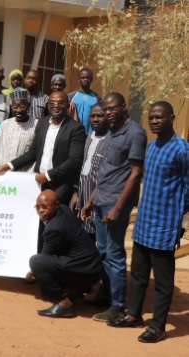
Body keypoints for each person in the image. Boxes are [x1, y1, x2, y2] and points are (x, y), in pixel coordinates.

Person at [107, 102, 189, 343]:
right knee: (140, 273)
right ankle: (134, 315)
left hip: (165, 225)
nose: (154, 121)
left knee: (163, 281)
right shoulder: (152, 146)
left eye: (159, 117)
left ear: (171, 118)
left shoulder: (181, 150)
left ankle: (159, 327)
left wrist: (177, 220)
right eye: (151, 117)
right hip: (144, 222)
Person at [80, 93, 147, 322]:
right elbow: (105, 172)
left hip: (116, 202)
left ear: (123, 107)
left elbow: (136, 173)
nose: (108, 113)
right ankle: (105, 296)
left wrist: (118, 207)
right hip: (100, 200)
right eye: (105, 110)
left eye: (112, 109)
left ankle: (117, 306)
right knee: (103, 252)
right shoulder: (109, 133)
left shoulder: (135, 134)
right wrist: (89, 201)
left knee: (115, 253)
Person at [0, 91, 85, 207]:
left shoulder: (76, 128)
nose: (56, 105)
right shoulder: (42, 123)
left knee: (53, 222)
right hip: (38, 183)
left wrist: (47, 176)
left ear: (67, 105)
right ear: (48, 105)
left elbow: (74, 161)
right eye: (52, 103)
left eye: (60, 103)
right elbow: (33, 152)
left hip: (60, 186)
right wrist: (8, 166)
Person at [31, 190, 103, 318]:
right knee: (51, 261)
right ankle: (73, 293)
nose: (41, 210)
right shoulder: (64, 209)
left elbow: (44, 258)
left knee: (36, 262)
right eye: (38, 207)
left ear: (57, 205)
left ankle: (63, 303)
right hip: (92, 270)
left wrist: (32, 273)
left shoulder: (54, 228)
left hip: (85, 274)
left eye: (45, 206)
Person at [70, 104, 108, 238]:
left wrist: (91, 202)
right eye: (93, 116)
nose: (96, 119)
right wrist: (75, 192)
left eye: (100, 116)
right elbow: (77, 166)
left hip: (99, 201)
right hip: (81, 197)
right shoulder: (87, 137)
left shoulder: (111, 141)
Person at [0, 89, 37, 172]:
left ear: (28, 106)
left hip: (25, 176)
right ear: (11, 107)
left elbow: (36, 153)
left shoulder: (37, 125)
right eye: (15, 107)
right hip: (3, 174)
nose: (19, 110)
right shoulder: (4, 124)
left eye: (22, 106)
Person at [68, 68, 102, 133]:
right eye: (83, 78)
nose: (85, 80)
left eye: (88, 78)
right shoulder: (70, 97)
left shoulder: (98, 98)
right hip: (74, 134)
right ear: (78, 79)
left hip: (91, 134)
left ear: (91, 79)